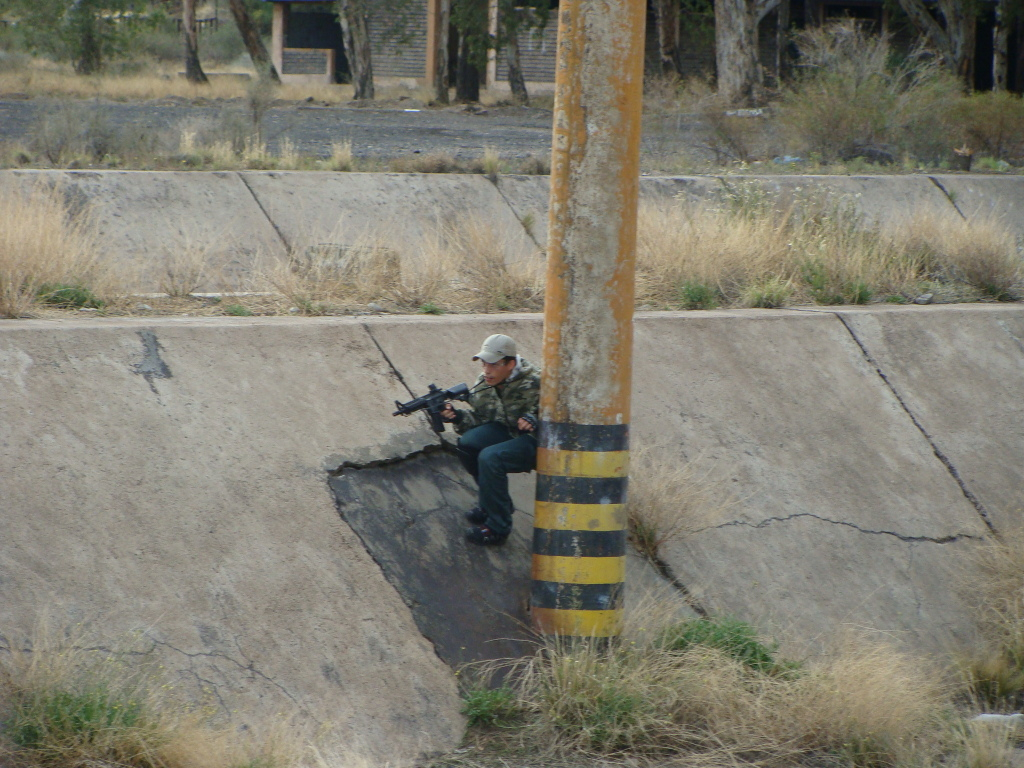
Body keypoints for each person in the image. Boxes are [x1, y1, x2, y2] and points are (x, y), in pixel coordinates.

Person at [440, 333, 541, 546]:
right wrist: (457, 416)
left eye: (494, 365)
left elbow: (566, 417)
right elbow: (481, 418)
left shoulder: (538, 382)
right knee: (468, 444)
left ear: (511, 364)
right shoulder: (485, 383)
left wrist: (536, 419)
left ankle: (498, 528)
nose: (487, 370)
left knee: (490, 457)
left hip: (539, 442)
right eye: (484, 363)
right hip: (508, 433)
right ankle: (493, 504)